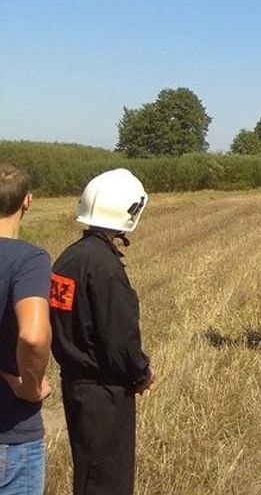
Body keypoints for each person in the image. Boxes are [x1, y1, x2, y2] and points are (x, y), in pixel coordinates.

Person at [51, 168, 155, 495]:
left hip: (75, 384)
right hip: (105, 392)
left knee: (88, 473)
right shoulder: (105, 267)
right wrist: (141, 373)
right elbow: (119, 338)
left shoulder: (68, 259)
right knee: (107, 480)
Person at [0, 163, 52, 494]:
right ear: (27, 201)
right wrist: (30, 386)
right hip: (9, 432)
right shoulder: (28, 260)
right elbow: (33, 335)